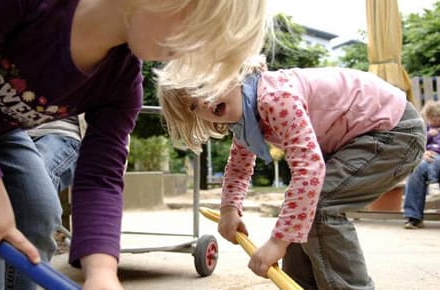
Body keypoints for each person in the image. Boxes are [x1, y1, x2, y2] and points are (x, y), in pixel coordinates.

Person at [0, 0, 270, 289]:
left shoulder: (121, 83)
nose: (193, 53)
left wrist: (102, 271)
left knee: (39, 214)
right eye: (198, 31)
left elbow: (101, 176)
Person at [159, 55, 426, 289]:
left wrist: (278, 241)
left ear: (232, 70)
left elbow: (309, 168)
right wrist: (229, 209)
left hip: (394, 132)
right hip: (366, 135)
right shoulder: (246, 118)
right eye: (193, 106)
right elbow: (239, 167)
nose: (204, 103)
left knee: (319, 205)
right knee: (303, 208)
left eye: (205, 87)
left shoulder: (273, 97)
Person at [403, 100, 440, 229]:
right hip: (430, 157)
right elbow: (418, 144)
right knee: (418, 168)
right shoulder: (426, 129)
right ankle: (414, 217)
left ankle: (433, 182)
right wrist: (423, 152)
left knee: (435, 162)